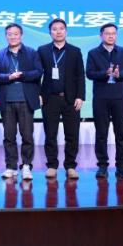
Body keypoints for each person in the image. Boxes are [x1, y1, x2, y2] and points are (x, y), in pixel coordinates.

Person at [0, 23, 42, 181]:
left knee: (27, 136)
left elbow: (38, 72)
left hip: (25, 100)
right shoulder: (0, 54)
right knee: (9, 136)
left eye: (16, 34)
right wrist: (8, 77)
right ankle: (11, 167)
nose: (12, 37)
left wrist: (22, 75)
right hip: (7, 100)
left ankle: (26, 166)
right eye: (9, 34)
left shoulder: (31, 53)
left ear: (21, 35)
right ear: (6, 36)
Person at [37, 19, 85, 180]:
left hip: (70, 99)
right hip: (50, 99)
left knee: (72, 134)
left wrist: (80, 96)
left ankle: (70, 166)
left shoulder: (75, 51)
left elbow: (80, 75)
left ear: (66, 31)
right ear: (50, 32)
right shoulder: (42, 50)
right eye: (54, 29)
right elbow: (38, 74)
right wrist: (39, 93)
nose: (58, 32)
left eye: (61, 29)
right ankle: (52, 165)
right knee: (50, 134)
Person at [86, 23, 123, 179]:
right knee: (101, 134)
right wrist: (104, 74)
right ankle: (102, 166)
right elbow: (89, 73)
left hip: (119, 98)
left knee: (121, 133)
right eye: (107, 33)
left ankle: (122, 167)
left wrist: (119, 74)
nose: (111, 36)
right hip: (101, 98)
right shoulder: (93, 53)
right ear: (101, 35)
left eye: (114, 33)